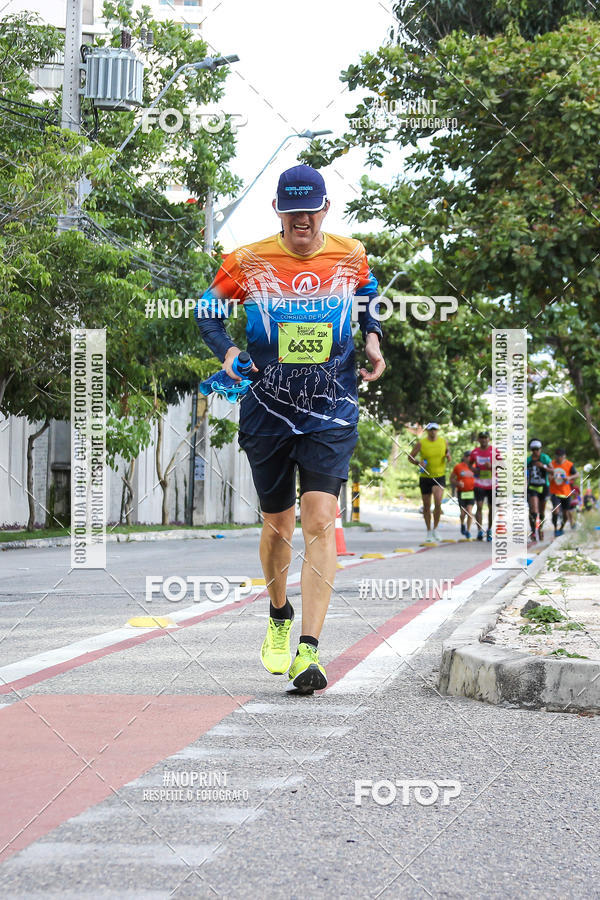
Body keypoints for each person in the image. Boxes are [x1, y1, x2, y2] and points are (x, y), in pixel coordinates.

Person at [196, 164, 385, 694]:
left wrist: (372, 338)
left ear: (326, 209)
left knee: (320, 518)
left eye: (311, 209)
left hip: (332, 406)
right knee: (279, 525)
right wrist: (230, 351)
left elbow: (368, 295)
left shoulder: (350, 254)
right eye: (291, 210)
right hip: (267, 407)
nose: (302, 219)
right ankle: (279, 612)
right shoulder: (248, 260)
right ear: (278, 212)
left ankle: (309, 651)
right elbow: (206, 312)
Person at [409, 423, 451, 542]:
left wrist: (448, 456)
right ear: (427, 431)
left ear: (437, 431)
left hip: (439, 476)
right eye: (430, 430)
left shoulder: (443, 441)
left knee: (438, 502)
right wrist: (418, 462)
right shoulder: (421, 443)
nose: (433, 432)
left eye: (435, 430)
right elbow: (410, 457)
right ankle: (428, 531)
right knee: (426, 506)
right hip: (425, 476)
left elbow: (449, 456)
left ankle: (435, 529)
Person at [469, 431, 495, 542]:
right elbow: (469, 464)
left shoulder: (494, 451)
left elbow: (502, 466)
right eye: (482, 438)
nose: (484, 440)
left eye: (486, 438)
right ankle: (480, 530)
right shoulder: (474, 452)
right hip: (479, 482)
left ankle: (489, 530)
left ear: (489, 439)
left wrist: (492, 466)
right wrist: (474, 469)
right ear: (479, 440)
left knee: (491, 508)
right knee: (479, 506)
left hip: (492, 483)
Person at [526, 439, 552, 542]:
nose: (535, 451)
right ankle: (533, 531)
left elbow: (553, 470)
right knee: (534, 510)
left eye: (537, 449)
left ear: (540, 449)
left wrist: (543, 466)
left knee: (541, 511)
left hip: (544, 486)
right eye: (533, 449)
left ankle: (540, 529)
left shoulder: (545, 458)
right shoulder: (528, 460)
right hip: (532, 487)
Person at [549, 447, 578, 536]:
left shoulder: (569, 464)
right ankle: (555, 528)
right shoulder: (552, 464)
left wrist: (569, 478)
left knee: (565, 514)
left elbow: (577, 474)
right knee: (556, 511)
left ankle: (561, 528)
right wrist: (552, 477)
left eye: (561, 456)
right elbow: (549, 477)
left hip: (566, 493)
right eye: (557, 456)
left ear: (564, 456)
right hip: (554, 492)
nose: (559, 458)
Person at [451, 451, 476, 539]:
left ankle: (468, 531)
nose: (469, 458)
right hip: (462, 492)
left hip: (471, 492)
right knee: (463, 513)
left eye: (470, 456)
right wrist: (457, 483)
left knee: (469, 512)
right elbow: (451, 479)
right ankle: (462, 524)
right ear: (464, 457)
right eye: (467, 456)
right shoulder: (458, 467)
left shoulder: (475, 466)